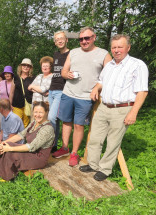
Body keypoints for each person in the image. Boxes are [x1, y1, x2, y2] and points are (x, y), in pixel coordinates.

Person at [79, 34, 148, 181]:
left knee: (113, 141)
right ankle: (93, 164)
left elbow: (142, 91)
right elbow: (101, 81)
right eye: (114, 47)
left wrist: (133, 112)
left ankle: (105, 169)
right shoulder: (109, 65)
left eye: (120, 47)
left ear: (128, 48)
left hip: (123, 109)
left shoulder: (137, 65)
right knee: (94, 138)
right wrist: (96, 88)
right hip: (104, 106)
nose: (116, 50)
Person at [53, 26, 112, 167]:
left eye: (87, 38)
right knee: (66, 121)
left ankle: (74, 153)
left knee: (79, 125)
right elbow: (63, 71)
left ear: (94, 37)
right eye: (81, 39)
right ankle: (64, 148)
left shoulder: (104, 54)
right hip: (68, 92)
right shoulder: (73, 52)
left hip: (86, 97)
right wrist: (66, 74)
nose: (84, 41)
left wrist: (98, 87)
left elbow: (110, 76)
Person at [0, 101, 55, 181]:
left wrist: (10, 148)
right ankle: (2, 174)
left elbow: (31, 146)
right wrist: (4, 143)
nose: (37, 115)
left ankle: (7, 178)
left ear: (46, 112)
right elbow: (21, 135)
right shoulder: (34, 123)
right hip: (31, 152)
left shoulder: (47, 129)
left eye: (40, 112)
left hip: (38, 157)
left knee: (10, 153)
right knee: (6, 146)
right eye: (35, 112)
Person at [48, 31, 70, 152]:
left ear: (66, 40)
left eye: (62, 38)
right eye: (57, 39)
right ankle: (54, 145)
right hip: (52, 90)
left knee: (51, 117)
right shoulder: (56, 54)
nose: (60, 41)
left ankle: (51, 142)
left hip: (62, 90)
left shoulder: (71, 54)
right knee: (54, 119)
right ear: (55, 42)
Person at [9, 58, 34, 127]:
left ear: (30, 68)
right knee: (16, 123)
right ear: (21, 66)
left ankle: (23, 137)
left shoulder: (33, 78)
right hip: (16, 105)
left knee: (25, 125)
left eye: (28, 66)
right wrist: (9, 104)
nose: (26, 67)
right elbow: (11, 92)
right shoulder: (15, 78)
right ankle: (15, 137)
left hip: (28, 105)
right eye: (24, 65)